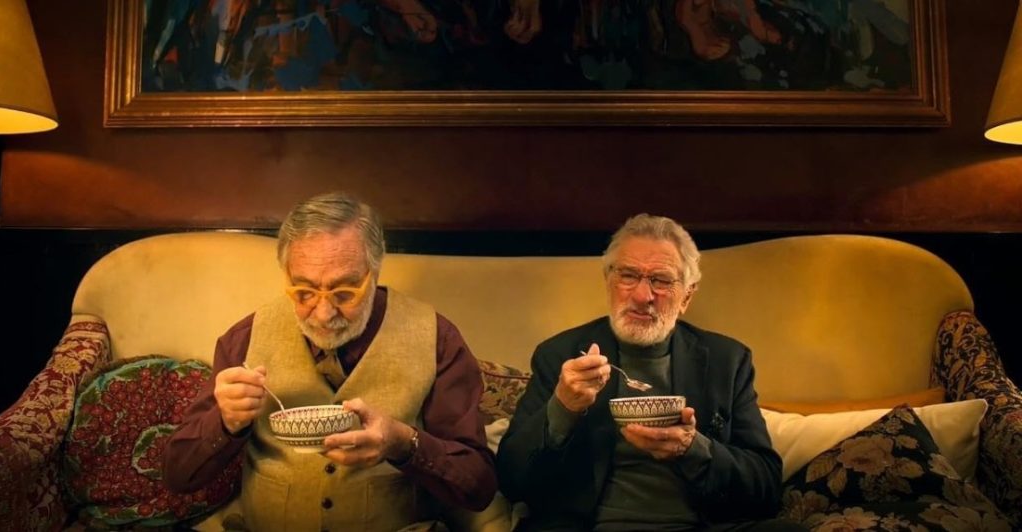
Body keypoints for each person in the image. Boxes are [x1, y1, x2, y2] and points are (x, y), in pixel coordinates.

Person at [163, 192, 497, 530]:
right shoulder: (245, 338)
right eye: (304, 292)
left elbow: (479, 486)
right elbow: (178, 475)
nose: (323, 314)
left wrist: (403, 444)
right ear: (286, 274)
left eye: (344, 293)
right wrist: (226, 423)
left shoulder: (436, 338)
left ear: (374, 271)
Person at [496, 214, 803, 531]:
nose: (643, 296)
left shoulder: (727, 360)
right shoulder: (561, 354)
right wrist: (562, 407)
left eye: (661, 280)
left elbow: (766, 488)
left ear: (686, 296)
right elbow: (511, 479)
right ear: (609, 281)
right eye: (629, 275)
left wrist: (694, 449)